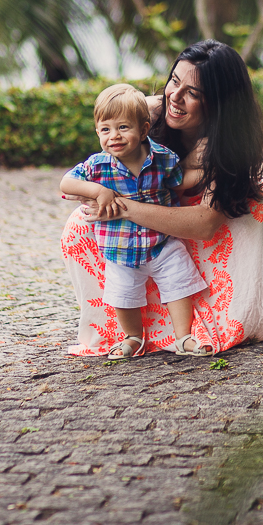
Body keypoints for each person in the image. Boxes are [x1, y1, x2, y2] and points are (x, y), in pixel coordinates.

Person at [62, 40, 263, 357]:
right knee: (79, 226)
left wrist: (120, 205)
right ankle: (131, 331)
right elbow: (98, 167)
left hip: (224, 214)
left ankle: (203, 324)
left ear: (218, 103)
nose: (175, 98)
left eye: (193, 93)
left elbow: (205, 223)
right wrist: (100, 194)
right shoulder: (149, 113)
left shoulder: (227, 146)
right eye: (174, 81)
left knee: (228, 231)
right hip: (159, 203)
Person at [60, 84, 209, 359]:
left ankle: (183, 337)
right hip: (120, 248)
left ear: (143, 130)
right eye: (105, 129)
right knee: (122, 294)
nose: (114, 136)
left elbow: (179, 182)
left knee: (178, 282)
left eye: (123, 128)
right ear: (97, 133)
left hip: (161, 242)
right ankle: (133, 338)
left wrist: (208, 170)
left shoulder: (163, 158)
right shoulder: (96, 166)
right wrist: (98, 191)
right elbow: (66, 182)